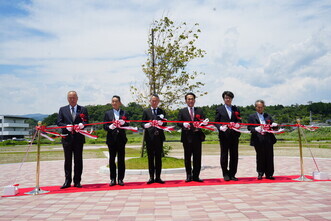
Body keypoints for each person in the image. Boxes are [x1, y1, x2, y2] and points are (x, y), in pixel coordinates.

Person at [57, 91, 89, 189]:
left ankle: (77, 181)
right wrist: (66, 126)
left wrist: (82, 124)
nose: (72, 99)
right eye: (70, 98)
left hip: (79, 139)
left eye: (74, 97)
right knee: (67, 160)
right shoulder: (62, 109)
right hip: (67, 138)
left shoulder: (83, 109)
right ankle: (67, 181)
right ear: (67, 99)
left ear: (77, 98)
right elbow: (59, 122)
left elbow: (86, 121)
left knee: (78, 160)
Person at [178, 92, 207, 182]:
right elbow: (178, 122)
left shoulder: (199, 111)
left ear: (194, 100)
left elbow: (204, 120)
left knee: (197, 157)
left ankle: (196, 176)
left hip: (197, 137)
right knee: (187, 157)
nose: (190, 101)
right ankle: (188, 175)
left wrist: (205, 122)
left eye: (192, 99)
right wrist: (183, 124)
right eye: (188, 99)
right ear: (186, 101)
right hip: (186, 137)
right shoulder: (182, 111)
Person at [247, 100, 278, 180]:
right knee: (260, 157)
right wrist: (255, 129)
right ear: (255, 107)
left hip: (268, 138)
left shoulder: (268, 116)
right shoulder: (251, 117)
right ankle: (260, 173)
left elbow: (273, 127)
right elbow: (249, 128)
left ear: (264, 107)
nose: (260, 109)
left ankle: (269, 174)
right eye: (258, 107)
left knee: (269, 156)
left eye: (261, 107)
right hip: (258, 138)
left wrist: (275, 125)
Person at [215, 91, 241, 181]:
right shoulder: (219, 109)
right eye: (226, 98)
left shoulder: (236, 109)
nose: (228, 99)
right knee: (224, 155)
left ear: (232, 99)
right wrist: (220, 127)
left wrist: (238, 124)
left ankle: (232, 174)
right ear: (223, 99)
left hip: (234, 135)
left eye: (229, 98)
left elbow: (239, 120)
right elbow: (216, 122)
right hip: (224, 135)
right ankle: (225, 173)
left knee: (234, 155)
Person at [103, 95, 130, 186]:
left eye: (116, 101)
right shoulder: (108, 113)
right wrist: (110, 127)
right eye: (112, 101)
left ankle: (121, 179)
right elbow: (104, 126)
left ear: (120, 103)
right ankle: (113, 179)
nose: (114, 103)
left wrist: (124, 123)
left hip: (121, 139)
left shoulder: (124, 113)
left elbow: (128, 124)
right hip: (111, 139)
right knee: (112, 160)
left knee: (121, 160)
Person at [142, 94, 167, 184]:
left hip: (159, 137)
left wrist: (162, 123)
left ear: (158, 101)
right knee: (150, 158)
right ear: (150, 101)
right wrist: (146, 125)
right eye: (152, 101)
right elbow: (142, 123)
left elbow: (165, 123)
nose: (154, 102)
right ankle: (151, 177)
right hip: (149, 137)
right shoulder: (146, 111)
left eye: (156, 101)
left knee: (158, 158)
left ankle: (158, 177)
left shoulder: (162, 111)